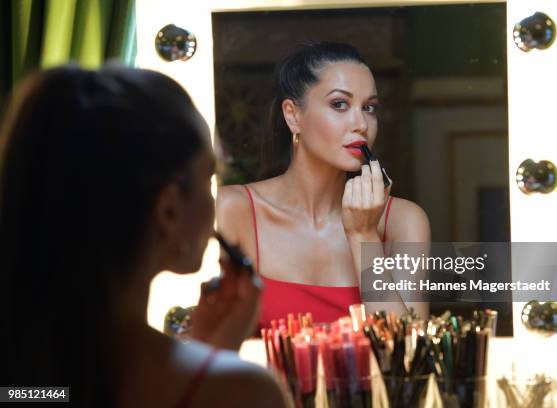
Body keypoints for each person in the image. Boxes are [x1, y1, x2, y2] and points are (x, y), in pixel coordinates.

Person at [0, 66, 288, 407]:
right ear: (168, 210)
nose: (361, 123)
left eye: (370, 107)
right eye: (208, 177)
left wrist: (206, 355)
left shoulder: (25, 385)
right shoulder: (242, 392)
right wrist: (208, 368)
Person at [216, 41, 430, 329]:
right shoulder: (234, 210)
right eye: (340, 104)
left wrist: (363, 235)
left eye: (369, 108)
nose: (361, 124)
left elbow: (407, 358)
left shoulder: (403, 221)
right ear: (293, 115)